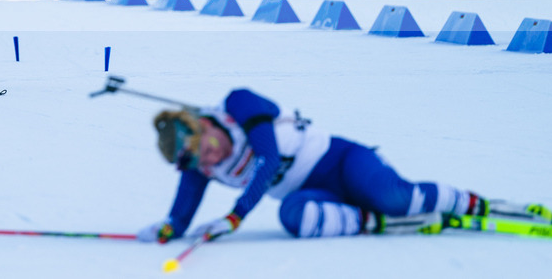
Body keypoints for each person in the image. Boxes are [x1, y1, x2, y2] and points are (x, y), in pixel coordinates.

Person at [137, 88, 488, 243]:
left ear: (206, 126)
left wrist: (235, 216)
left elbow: (268, 160)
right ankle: (369, 220)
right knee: (295, 218)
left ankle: (470, 203)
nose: (210, 161)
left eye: (208, 149)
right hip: (312, 192)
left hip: (342, 161)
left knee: (395, 199)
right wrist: (170, 229)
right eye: (202, 162)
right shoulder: (201, 164)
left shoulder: (239, 104)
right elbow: (183, 209)